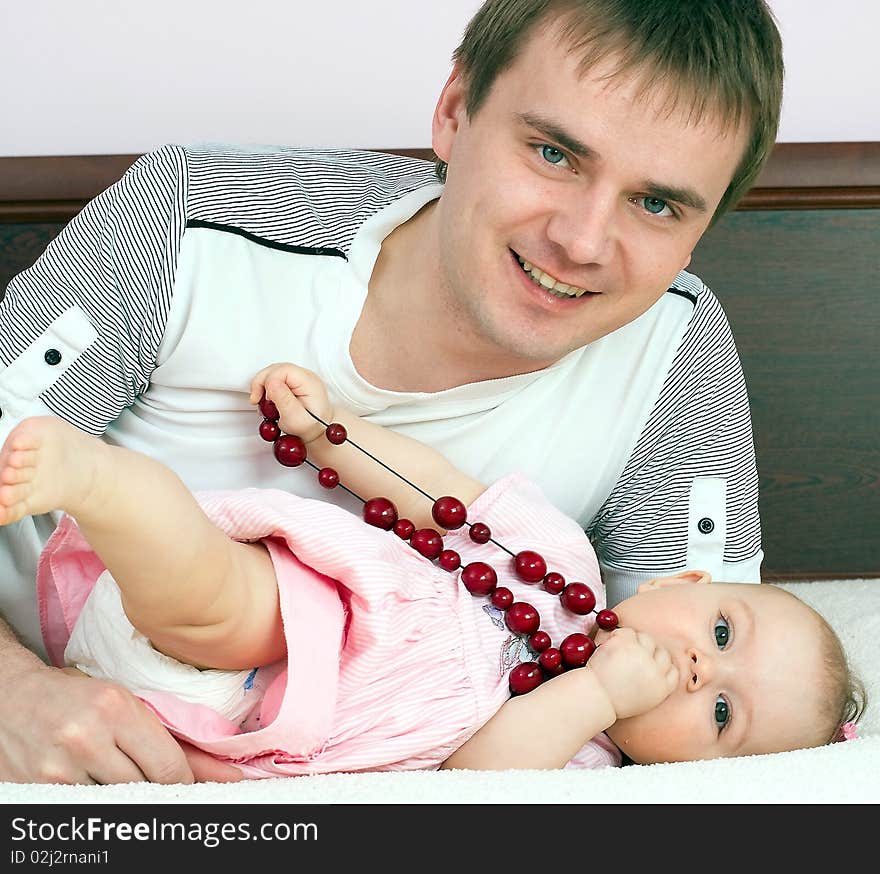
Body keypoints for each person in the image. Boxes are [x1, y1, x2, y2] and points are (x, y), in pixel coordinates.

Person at [0, 0, 785, 782]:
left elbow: (692, 720)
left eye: (655, 204)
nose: (582, 242)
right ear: (453, 113)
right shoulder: (194, 219)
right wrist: (14, 693)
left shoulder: (674, 351)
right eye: (553, 154)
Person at [0, 363, 865, 775]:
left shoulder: (582, 767)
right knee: (217, 604)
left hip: (226, 733)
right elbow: (438, 494)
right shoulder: (559, 562)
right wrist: (331, 435)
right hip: (321, 614)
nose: (696, 670)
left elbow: (475, 784)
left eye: (722, 711)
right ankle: (99, 483)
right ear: (685, 585)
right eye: (720, 633)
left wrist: (596, 697)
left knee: (207, 627)